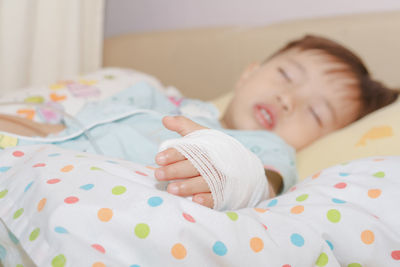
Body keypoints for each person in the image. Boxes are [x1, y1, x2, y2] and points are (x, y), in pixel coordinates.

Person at [0, 35, 398, 209]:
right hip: (56, 144)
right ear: (248, 74)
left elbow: (262, 182)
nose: (287, 99)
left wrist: (225, 172)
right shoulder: (165, 102)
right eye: (286, 76)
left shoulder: (265, 149)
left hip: (77, 183)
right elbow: (81, 124)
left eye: (315, 113)